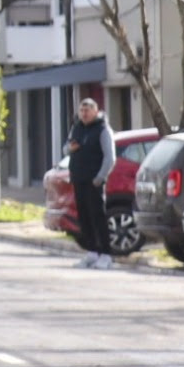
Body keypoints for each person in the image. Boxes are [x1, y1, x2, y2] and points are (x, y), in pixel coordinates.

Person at [67, 97, 116, 270]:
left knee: (98, 217)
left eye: (88, 110)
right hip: (79, 179)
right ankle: (92, 252)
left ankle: (106, 254)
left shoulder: (103, 129)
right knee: (84, 217)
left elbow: (110, 157)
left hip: (94, 182)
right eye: (82, 110)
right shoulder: (77, 128)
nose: (84, 113)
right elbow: (67, 148)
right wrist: (69, 149)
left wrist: (100, 178)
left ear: (96, 111)